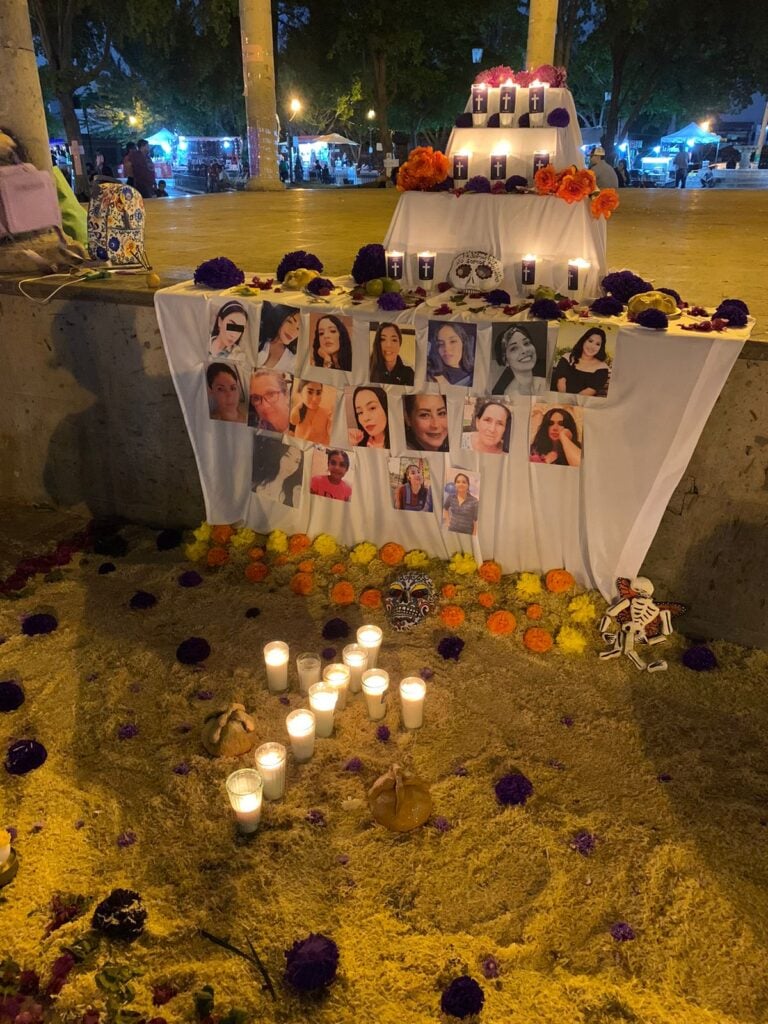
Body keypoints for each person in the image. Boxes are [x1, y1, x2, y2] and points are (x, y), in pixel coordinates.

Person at [550, 327, 610, 397]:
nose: (592, 346)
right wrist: (563, 400)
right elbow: (561, 382)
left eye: (597, 344)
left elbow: (590, 391)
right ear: (583, 341)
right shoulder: (567, 357)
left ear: (601, 347)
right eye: (590, 341)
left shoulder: (602, 368)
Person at [491, 325, 547, 396]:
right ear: (505, 361)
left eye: (526, 343)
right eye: (514, 348)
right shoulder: (510, 395)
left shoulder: (544, 383)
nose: (524, 350)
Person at [252, 439, 304, 507]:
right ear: (279, 455)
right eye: (287, 456)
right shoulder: (258, 478)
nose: (291, 465)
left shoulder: (294, 493)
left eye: (297, 461)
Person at [427, 322, 475, 387]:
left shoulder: (474, 371)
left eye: (453, 341)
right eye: (440, 344)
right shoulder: (432, 373)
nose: (446, 348)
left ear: (463, 343)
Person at [257, 304, 300, 372]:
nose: (293, 331)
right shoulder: (259, 338)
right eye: (290, 321)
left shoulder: (292, 359)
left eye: (298, 328)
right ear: (280, 317)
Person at [291, 379, 333, 445]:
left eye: (318, 393)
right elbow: (293, 420)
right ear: (300, 393)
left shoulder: (327, 413)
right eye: (310, 392)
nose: (315, 399)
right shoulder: (299, 410)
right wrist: (298, 406)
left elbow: (332, 432)